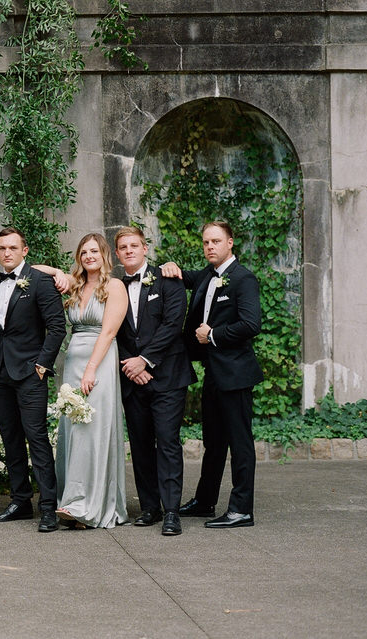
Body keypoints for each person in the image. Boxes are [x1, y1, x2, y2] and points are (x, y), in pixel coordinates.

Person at [162, 220, 262, 528]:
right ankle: (205, 501)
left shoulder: (243, 279)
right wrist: (169, 266)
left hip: (236, 374)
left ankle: (241, 509)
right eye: (206, 242)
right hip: (214, 374)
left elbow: (250, 324)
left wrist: (214, 335)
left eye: (216, 241)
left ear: (230, 243)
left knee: (240, 443)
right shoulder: (208, 275)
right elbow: (181, 275)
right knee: (214, 442)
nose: (210, 247)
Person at [35, 233, 129, 529]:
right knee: (73, 432)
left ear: (104, 255)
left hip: (97, 364)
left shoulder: (114, 286)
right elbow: (32, 270)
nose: (89, 256)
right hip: (72, 364)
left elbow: (109, 332)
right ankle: (72, 500)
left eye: (94, 251)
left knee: (92, 431)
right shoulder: (75, 285)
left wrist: (91, 369)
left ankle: (89, 504)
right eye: (83, 252)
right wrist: (58, 272)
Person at [0, 226, 67, 532]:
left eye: (13, 248)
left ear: (24, 251)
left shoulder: (41, 282)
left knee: (37, 437)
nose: (7, 253)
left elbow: (57, 326)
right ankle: (20, 500)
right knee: (10, 438)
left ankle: (48, 507)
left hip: (30, 372)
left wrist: (42, 365)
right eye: (2, 248)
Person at [113, 227, 193, 537]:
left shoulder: (169, 281)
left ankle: (172, 510)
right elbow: (111, 332)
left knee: (167, 441)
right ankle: (150, 507)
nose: (129, 250)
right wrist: (130, 365)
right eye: (123, 247)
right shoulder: (115, 286)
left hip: (168, 376)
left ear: (145, 248)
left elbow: (173, 324)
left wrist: (144, 360)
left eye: (135, 245)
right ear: (118, 254)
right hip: (132, 377)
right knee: (141, 444)